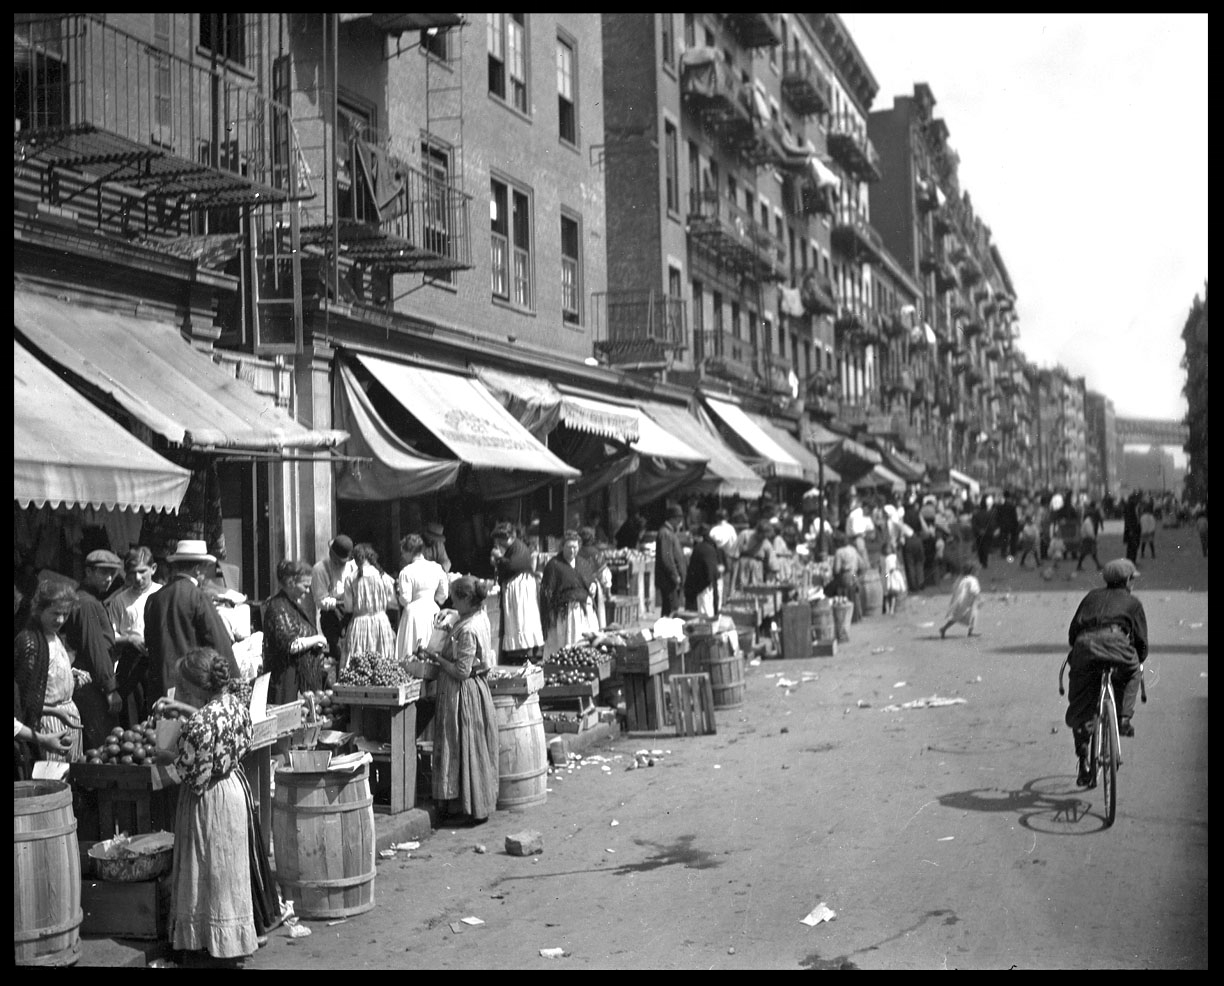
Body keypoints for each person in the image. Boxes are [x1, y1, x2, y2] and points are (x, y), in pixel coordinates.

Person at [153, 648, 260, 960]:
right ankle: (231, 940)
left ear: (193, 687)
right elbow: (232, 734)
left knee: (205, 869)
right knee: (227, 872)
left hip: (208, 800)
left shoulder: (198, 724)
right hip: (233, 791)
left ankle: (206, 943)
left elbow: (191, 775)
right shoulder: (236, 705)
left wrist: (165, 756)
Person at [1064, 559, 1148, 787]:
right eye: (1132, 580)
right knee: (1132, 671)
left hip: (1085, 647)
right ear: (1127, 581)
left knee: (1082, 701)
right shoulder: (1133, 603)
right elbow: (1141, 645)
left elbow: (1073, 634)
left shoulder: (1091, 597)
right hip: (1118, 647)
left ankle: (1083, 759)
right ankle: (1122, 718)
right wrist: (1138, 660)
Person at [430, 576, 499, 824]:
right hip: (476, 691)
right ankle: (471, 802)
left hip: (463, 694)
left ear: (467, 599)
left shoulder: (469, 629)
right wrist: (450, 618)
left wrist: (436, 657)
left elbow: (461, 670)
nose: (452, 602)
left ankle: (466, 808)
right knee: (472, 748)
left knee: (461, 745)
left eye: (455, 598)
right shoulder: (479, 616)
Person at [143, 540, 239, 707]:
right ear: (198, 569)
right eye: (205, 568)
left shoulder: (154, 599)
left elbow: (149, 643)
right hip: (192, 687)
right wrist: (236, 683)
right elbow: (219, 642)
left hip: (160, 687)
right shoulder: (197, 596)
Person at [14, 580, 85, 765]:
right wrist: (54, 711)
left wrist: (70, 676)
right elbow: (23, 698)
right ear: (39, 610)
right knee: (51, 779)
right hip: (46, 724)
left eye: (65, 614)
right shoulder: (30, 641)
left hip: (66, 718)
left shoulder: (54, 636)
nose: (60, 620)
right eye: (55, 613)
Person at [63, 549, 123, 751]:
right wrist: (110, 688)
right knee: (102, 745)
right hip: (92, 683)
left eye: (112, 573)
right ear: (88, 571)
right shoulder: (88, 604)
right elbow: (96, 648)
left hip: (87, 680)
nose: (109, 578)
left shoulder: (85, 599)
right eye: (103, 572)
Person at [106, 546, 162, 728]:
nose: (138, 578)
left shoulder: (162, 594)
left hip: (157, 664)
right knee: (131, 721)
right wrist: (129, 639)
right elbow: (109, 637)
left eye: (142, 572)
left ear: (153, 569)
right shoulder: (119, 600)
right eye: (132, 573)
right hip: (129, 664)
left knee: (157, 716)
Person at [262, 560, 329, 705]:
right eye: (305, 586)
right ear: (291, 582)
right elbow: (290, 644)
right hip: (285, 680)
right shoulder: (277, 607)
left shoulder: (293, 606)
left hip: (298, 680)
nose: (307, 590)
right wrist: (318, 638)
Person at [489, 523, 543, 665]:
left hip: (520, 588)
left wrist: (499, 558)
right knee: (520, 620)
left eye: (501, 540)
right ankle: (520, 652)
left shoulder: (518, 548)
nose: (499, 543)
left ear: (509, 537)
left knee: (521, 620)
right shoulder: (512, 547)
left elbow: (512, 565)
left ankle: (522, 653)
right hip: (518, 586)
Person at [539, 531, 599, 657]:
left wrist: (593, 585)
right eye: (569, 547)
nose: (572, 551)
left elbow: (590, 579)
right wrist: (549, 615)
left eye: (575, 547)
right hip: (565, 614)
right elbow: (546, 592)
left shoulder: (583, 563)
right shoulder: (554, 565)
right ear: (562, 547)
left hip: (583, 613)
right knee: (564, 648)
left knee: (584, 646)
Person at [394, 534, 451, 664]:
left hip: (413, 614)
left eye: (404, 552)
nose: (402, 556)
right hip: (432, 610)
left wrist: (398, 593)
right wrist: (432, 597)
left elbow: (405, 599)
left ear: (410, 551)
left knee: (411, 650)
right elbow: (443, 595)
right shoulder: (436, 568)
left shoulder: (406, 572)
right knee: (431, 648)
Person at [341, 544, 397, 667]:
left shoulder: (351, 579)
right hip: (381, 623)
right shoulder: (384, 577)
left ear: (355, 560)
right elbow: (393, 603)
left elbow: (349, 607)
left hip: (359, 624)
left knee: (358, 663)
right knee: (382, 662)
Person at [311, 535, 356, 666]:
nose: (339, 564)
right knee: (339, 653)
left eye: (342, 561)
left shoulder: (353, 567)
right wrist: (340, 602)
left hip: (351, 615)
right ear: (331, 553)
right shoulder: (320, 569)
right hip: (332, 617)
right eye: (336, 560)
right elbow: (320, 600)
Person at [653, 505, 688, 617]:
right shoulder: (665, 533)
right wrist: (675, 575)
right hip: (668, 580)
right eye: (678, 519)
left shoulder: (669, 532)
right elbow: (666, 557)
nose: (680, 522)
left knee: (670, 608)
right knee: (671, 609)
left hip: (670, 580)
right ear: (672, 519)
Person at [683, 524, 722, 618]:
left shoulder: (699, 549)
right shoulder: (712, 547)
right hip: (713, 585)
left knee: (704, 615)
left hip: (703, 587)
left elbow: (694, 570)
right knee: (711, 613)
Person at [939, 561, 982, 639]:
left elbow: (955, 587)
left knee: (968, 615)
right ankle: (944, 628)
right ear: (973, 571)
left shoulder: (961, 577)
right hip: (967, 601)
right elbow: (974, 590)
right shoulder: (972, 579)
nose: (978, 572)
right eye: (977, 571)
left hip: (960, 600)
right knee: (965, 616)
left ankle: (970, 632)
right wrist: (979, 598)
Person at [734, 519, 777, 591]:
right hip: (743, 565)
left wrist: (773, 571)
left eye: (765, 536)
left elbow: (772, 561)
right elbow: (735, 553)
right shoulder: (745, 534)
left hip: (757, 566)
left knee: (756, 588)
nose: (763, 537)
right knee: (741, 586)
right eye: (762, 535)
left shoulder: (766, 542)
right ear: (758, 531)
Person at [707, 508, 738, 608]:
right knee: (726, 580)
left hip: (716, 559)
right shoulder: (731, 529)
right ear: (727, 517)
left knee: (717, 580)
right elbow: (735, 543)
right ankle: (724, 602)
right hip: (728, 558)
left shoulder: (714, 530)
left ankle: (718, 602)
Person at [831, 532, 863, 622]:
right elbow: (861, 563)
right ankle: (858, 616)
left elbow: (836, 569)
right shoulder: (853, 549)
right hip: (854, 573)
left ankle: (849, 617)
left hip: (846, 574)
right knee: (855, 593)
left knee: (845, 592)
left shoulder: (839, 552)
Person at [880, 539, 906, 615]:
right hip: (888, 576)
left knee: (892, 593)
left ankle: (891, 609)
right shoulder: (887, 558)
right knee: (889, 593)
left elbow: (897, 565)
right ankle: (889, 609)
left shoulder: (890, 557)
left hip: (890, 575)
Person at [1076, 501, 1104, 573]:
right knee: (1087, 553)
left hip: (1087, 539)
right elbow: (1090, 532)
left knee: (1089, 553)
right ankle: (1080, 566)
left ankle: (1097, 565)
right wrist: (1094, 538)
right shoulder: (1088, 522)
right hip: (1088, 539)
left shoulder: (1088, 520)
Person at [996, 490, 1020, 562]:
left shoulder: (1000, 506)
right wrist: (1016, 524)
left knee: (1004, 539)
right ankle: (1013, 552)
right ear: (1009, 497)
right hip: (1011, 524)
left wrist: (999, 524)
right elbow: (1014, 516)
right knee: (1013, 538)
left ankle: (1003, 552)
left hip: (1003, 525)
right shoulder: (1012, 506)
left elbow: (998, 516)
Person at [971, 496, 994, 569]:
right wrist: (985, 530)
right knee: (985, 547)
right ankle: (985, 562)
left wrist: (979, 530)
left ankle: (981, 561)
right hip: (986, 533)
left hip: (978, 534)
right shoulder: (989, 514)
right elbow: (990, 524)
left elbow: (974, 525)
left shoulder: (975, 514)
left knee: (980, 547)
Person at [1122, 490, 1142, 563]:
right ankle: (1131, 560)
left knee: (1133, 545)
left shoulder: (1134, 506)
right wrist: (1130, 530)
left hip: (1135, 528)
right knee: (1133, 545)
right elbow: (1128, 519)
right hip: (1132, 529)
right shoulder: (1130, 507)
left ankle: (1132, 559)